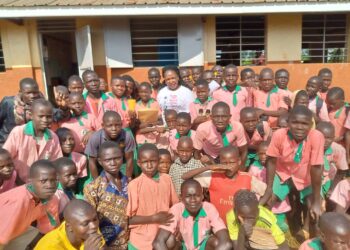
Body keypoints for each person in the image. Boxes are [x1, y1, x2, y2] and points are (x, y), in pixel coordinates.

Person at [260, 106, 325, 228]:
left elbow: (316, 168)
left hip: (307, 178)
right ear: (288, 122)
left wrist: (317, 201)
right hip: (283, 174)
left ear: (311, 125)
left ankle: (310, 242)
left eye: (304, 124)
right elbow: (272, 161)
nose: (299, 127)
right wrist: (269, 189)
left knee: (316, 211)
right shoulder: (279, 134)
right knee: (267, 201)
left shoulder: (316, 136)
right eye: (295, 122)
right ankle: (265, 233)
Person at [183, 145, 266, 221]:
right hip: (218, 226)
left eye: (232, 163)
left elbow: (266, 192)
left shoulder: (247, 178)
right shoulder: (214, 176)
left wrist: (254, 209)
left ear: (239, 161)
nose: (228, 166)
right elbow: (185, 177)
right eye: (224, 163)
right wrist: (209, 167)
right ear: (220, 162)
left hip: (238, 228)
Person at [153, 179, 232, 250]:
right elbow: (158, 242)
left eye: (197, 196)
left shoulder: (209, 208)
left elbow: (226, 243)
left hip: (203, 247)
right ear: (181, 198)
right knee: (169, 241)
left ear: (202, 196)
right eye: (188, 196)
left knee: (217, 242)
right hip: (183, 247)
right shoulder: (176, 209)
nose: (193, 200)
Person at [126, 143, 178, 250]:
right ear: (139, 163)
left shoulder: (167, 179)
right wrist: (154, 218)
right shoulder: (134, 185)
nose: (149, 165)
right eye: (145, 162)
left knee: (172, 241)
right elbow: (130, 220)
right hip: (141, 240)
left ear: (158, 161)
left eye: (153, 161)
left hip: (164, 235)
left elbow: (176, 207)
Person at [0, 160, 59, 249]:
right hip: (3, 231)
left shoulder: (51, 199)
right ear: (31, 181)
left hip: (16, 230)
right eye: (43, 181)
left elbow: (48, 230)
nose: (50, 185)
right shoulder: (19, 200)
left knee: (34, 233)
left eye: (54, 180)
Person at [3, 99, 62, 183]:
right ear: (31, 115)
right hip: (15, 183)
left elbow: (56, 163)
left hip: (41, 186)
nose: (45, 120)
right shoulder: (18, 132)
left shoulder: (53, 137)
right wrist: (17, 179)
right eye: (41, 116)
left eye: (49, 116)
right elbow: (5, 159)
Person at [84, 141, 129, 248]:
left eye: (117, 158)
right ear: (100, 161)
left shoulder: (130, 183)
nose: (113, 163)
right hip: (105, 244)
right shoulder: (93, 188)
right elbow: (89, 220)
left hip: (129, 240)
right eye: (108, 160)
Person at [34, 199, 106, 250]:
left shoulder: (89, 230)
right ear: (69, 226)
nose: (94, 226)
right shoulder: (50, 246)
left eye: (95, 219)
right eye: (85, 223)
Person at [84, 111, 136, 180]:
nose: (114, 129)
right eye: (110, 125)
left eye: (117, 125)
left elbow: (129, 159)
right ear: (103, 126)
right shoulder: (95, 138)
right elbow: (92, 162)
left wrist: (128, 178)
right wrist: (96, 182)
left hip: (120, 165)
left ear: (121, 124)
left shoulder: (127, 136)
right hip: (101, 167)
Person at [0, 78, 41, 145]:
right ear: (20, 92)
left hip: (29, 143)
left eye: (35, 92)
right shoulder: (9, 103)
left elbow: (56, 115)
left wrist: (64, 107)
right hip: (6, 142)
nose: (32, 96)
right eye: (28, 93)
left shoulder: (41, 105)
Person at [315, 122, 348, 200]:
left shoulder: (338, 149)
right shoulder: (308, 146)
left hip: (328, 180)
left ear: (333, 138)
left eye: (328, 138)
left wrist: (332, 189)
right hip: (311, 180)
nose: (324, 141)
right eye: (321, 137)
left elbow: (342, 171)